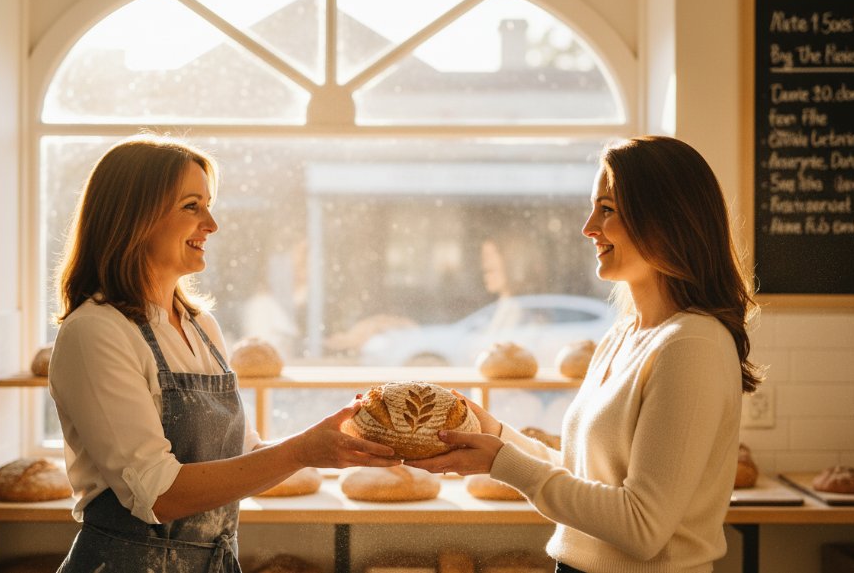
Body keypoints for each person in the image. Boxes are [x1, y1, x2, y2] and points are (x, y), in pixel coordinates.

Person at [408, 136, 762, 573]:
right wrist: (496, 434)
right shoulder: (623, 335)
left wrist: (501, 462)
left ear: (665, 222)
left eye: (606, 209)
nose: (588, 227)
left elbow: (641, 527)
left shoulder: (692, 345)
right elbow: (583, 477)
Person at [48, 134, 398, 572]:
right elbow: (158, 494)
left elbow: (244, 459)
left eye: (208, 205)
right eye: (191, 206)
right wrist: (302, 451)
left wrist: (331, 438)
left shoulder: (202, 326)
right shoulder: (96, 332)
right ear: (134, 218)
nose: (211, 224)